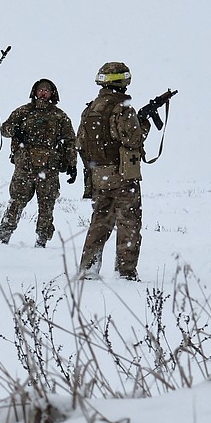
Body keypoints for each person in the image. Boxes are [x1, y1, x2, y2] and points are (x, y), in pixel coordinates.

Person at [76, 62, 151, 281]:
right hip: (123, 175)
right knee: (128, 222)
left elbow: (81, 142)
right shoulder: (123, 109)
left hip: (100, 175)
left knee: (100, 222)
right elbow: (133, 139)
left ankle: (88, 268)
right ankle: (126, 271)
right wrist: (143, 125)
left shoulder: (90, 109)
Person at [0, 79, 77, 247]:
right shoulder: (23, 111)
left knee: (47, 205)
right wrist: (14, 130)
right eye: (40, 90)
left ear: (52, 93)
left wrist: (72, 164)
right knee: (16, 202)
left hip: (49, 169)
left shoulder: (59, 116)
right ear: (34, 91)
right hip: (24, 167)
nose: (43, 93)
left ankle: (41, 241)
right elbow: (4, 129)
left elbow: (70, 141)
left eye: (47, 90)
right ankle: (4, 237)